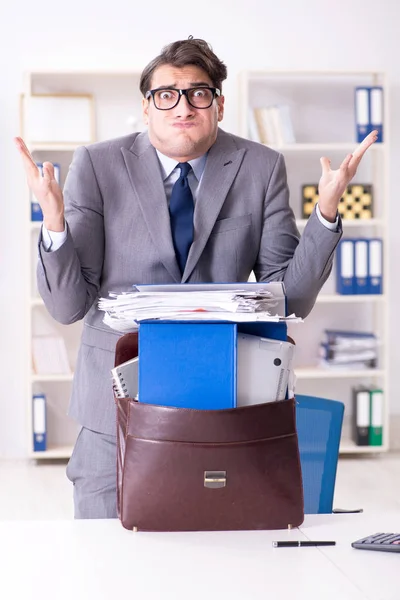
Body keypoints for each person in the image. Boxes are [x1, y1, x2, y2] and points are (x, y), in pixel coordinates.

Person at [15, 37, 377, 519]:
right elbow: (67, 307)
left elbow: (289, 298)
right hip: (114, 407)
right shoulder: (98, 166)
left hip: (223, 398)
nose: (182, 106)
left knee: (219, 551)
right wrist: (54, 223)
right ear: (146, 107)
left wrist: (326, 213)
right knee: (101, 558)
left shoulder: (260, 167)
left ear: (219, 105)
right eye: (167, 94)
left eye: (198, 93)